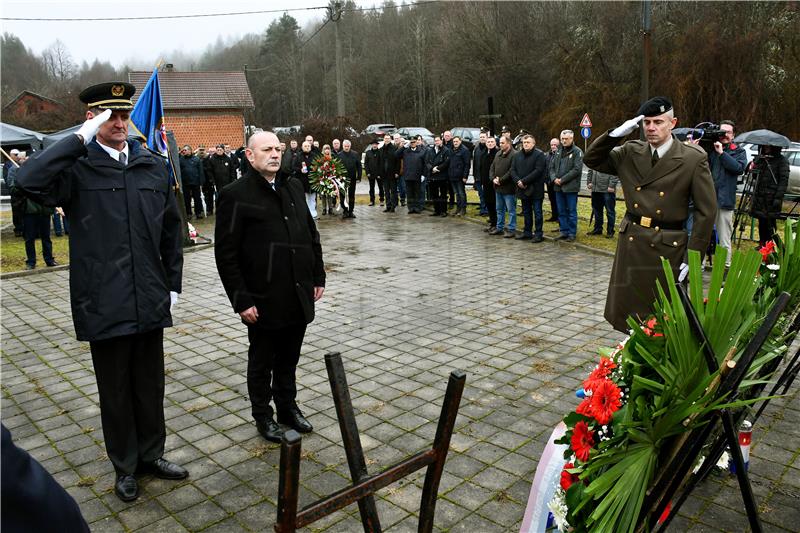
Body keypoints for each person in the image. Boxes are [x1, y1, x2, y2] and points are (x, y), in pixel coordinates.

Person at [14, 82, 186, 502]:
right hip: (104, 298)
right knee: (115, 390)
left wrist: (173, 286)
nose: (120, 123)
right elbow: (26, 181)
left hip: (148, 295)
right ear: (92, 119)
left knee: (150, 385)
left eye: (124, 115)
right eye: (110, 116)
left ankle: (152, 455)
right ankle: (125, 467)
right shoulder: (77, 168)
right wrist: (77, 140)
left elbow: (171, 231)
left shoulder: (151, 165)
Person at [215, 131, 325, 444]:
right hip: (262, 298)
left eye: (277, 149)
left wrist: (318, 276)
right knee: (262, 361)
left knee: (289, 357)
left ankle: (288, 408)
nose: (275, 154)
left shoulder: (292, 185)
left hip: (297, 290)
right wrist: (241, 299)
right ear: (250, 155)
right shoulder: (235, 195)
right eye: (267, 150)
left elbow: (310, 234)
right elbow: (226, 254)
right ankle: (263, 415)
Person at [584, 96, 717, 332]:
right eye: (647, 123)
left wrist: (693, 255)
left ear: (672, 123)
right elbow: (592, 159)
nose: (651, 128)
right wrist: (614, 135)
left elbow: (706, 211)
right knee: (629, 312)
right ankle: (629, 355)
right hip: (633, 240)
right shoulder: (630, 152)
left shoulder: (692, 158)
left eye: (658, 122)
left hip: (667, 244)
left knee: (663, 314)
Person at [707, 120, 747, 267]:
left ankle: (725, 268)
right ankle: (699, 265)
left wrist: (722, 153)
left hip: (725, 201)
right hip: (707, 199)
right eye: (722, 132)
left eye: (728, 132)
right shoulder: (710, 149)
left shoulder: (738, 151)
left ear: (733, 135)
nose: (725, 135)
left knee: (724, 238)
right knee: (703, 235)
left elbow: (738, 168)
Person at [9, 155, 57, 270]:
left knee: (46, 237)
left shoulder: (43, 174)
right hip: (29, 211)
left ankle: (49, 259)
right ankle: (31, 261)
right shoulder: (19, 173)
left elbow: (51, 188)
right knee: (29, 238)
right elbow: (13, 189)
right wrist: (20, 183)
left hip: (44, 210)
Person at [750, 145, 789, 247]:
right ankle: (762, 243)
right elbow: (755, 176)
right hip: (760, 196)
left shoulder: (782, 161)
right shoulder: (760, 159)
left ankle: (771, 245)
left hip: (772, 197)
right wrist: (753, 166)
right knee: (761, 221)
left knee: (770, 223)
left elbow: (783, 181)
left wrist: (778, 198)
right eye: (765, 146)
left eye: (769, 146)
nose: (766, 147)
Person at [512, 135, 548, 242]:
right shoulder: (517, 155)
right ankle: (527, 232)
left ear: (533, 143)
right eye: (524, 142)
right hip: (522, 188)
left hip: (535, 189)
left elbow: (538, 170)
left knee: (537, 212)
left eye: (528, 142)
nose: (526, 144)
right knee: (526, 212)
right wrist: (518, 181)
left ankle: (538, 234)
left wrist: (524, 181)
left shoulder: (539, 155)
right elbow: (512, 170)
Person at [551, 130, 583, 242]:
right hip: (558, 187)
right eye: (562, 139)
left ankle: (572, 233)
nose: (564, 141)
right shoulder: (558, 151)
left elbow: (577, 169)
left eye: (566, 139)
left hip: (570, 187)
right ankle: (563, 231)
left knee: (571, 211)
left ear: (572, 139)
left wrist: (562, 180)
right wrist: (554, 178)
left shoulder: (577, 151)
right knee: (561, 210)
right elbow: (551, 167)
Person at [490, 136, 518, 237]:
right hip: (498, 187)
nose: (500, 145)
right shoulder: (498, 153)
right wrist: (493, 178)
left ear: (508, 143)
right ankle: (499, 227)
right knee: (499, 209)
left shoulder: (514, 155)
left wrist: (500, 180)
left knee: (511, 210)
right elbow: (492, 167)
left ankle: (511, 229)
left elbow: (512, 171)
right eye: (500, 143)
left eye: (502, 143)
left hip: (509, 188)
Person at [396, 135, 427, 214]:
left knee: (417, 192)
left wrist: (423, 174)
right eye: (411, 142)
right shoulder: (405, 151)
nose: (412, 143)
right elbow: (396, 155)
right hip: (408, 175)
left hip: (418, 175)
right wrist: (403, 147)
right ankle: (411, 208)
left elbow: (425, 164)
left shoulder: (422, 151)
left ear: (417, 142)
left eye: (414, 142)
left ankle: (417, 208)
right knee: (409, 193)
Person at [586, 168, 619, 238]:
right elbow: (590, 169)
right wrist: (589, 182)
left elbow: (615, 171)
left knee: (610, 212)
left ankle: (610, 231)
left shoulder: (610, 158)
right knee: (597, 210)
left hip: (607, 190)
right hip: (595, 189)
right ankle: (598, 229)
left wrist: (611, 185)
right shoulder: (594, 157)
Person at [425, 135, 451, 217]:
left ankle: (444, 211)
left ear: (441, 141)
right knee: (434, 194)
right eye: (435, 141)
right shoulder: (430, 150)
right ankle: (437, 210)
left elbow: (446, 162)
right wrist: (432, 168)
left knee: (443, 194)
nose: (437, 142)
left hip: (442, 175)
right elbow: (427, 161)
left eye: (438, 140)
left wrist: (438, 168)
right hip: (432, 176)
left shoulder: (446, 150)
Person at [179, 144, 205, 219]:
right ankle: (188, 213)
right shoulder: (181, 160)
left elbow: (201, 171)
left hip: (195, 182)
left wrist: (201, 182)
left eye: (185, 150)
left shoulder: (196, 159)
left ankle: (199, 213)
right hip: (185, 183)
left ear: (190, 150)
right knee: (187, 199)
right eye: (183, 150)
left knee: (197, 198)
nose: (184, 151)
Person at [337, 140, 361, 219]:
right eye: (345, 146)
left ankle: (351, 211)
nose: (346, 148)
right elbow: (336, 168)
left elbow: (359, 166)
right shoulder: (339, 155)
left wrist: (359, 177)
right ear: (342, 146)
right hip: (342, 179)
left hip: (352, 178)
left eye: (348, 146)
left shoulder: (355, 154)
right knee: (342, 195)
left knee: (351, 195)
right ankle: (345, 211)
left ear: (350, 146)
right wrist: (338, 176)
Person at [479, 135, 499, 231]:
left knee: (495, 204)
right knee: (488, 203)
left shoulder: (497, 154)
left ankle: (496, 224)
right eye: (488, 142)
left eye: (492, 142)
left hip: (494, 183)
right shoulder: (484, 154)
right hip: (485, 184)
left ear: (495, 143)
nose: (490, 144)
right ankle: (492, 223)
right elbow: (481, 168)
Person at [448, 136, 471, 217]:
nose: (455, 143)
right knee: (456, 193)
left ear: (460, 141)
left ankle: (463, 209)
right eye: (454, 141)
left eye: (457, 141)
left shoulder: (464, 150)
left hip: (460, 176)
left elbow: (467, 164)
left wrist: (465, 176)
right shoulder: (451, 150)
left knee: (461, 193)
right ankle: (458, 208)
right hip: (452, 175)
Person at [294, 141, 317, 218]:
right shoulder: (298, 156)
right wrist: (300, 170)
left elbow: (319, 166)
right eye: (305, 146)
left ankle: (313, 213)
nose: (307, 147)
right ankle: (305, 214)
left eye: (308, 146)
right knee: (304, 198)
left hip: (312, 180)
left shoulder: (314, 156)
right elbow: (294, 167)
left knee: (312, 198)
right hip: (302, 180)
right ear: (302, 147)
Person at [381, 134, 400, 213]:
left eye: (388, 138)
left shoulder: (394, 148)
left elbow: (398, 161)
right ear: (383, 139)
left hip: (392, 173)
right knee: (386, 191)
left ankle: (393, 205)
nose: (387, 140)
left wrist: (397, 172)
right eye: (385, 138)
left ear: (390, 139)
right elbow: (380, 162)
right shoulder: (381, 149)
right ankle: (388, 205)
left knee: (393, 191)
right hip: (384, 174)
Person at [364, 139, 384, 206]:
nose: (374, 145)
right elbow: (366, 163)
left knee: (381, 187)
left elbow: (382, 164)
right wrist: (368, 172)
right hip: (371, 173)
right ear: (371, 145)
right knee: (371, 188)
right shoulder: (368, 152)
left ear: (377, 145)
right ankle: (372, 201)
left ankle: (381, 200)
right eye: (373, 144)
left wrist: (380, 173)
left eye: (376, 144)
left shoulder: (380, 152)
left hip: (379, 174)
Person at [472, 131, 488, 216]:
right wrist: (474, 175)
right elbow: (474, 163)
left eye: (483, 137)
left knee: (486, 194)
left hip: (485, 176)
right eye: (481, 137)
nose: (482, 138)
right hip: (478, 176)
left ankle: (485, 210)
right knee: (480, 194)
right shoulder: (477, 148)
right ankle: (482, 209)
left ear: (486, 137)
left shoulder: (489, 148)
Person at [545, 138, 560, 221]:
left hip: (556, 181)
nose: (553, 146)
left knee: (558, 200)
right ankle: (554, 215)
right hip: (548, 182)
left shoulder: (560, 154)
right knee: (552, 199)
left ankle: (559, 216)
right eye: (552, 145)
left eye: (555, 145)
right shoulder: (547, 154)